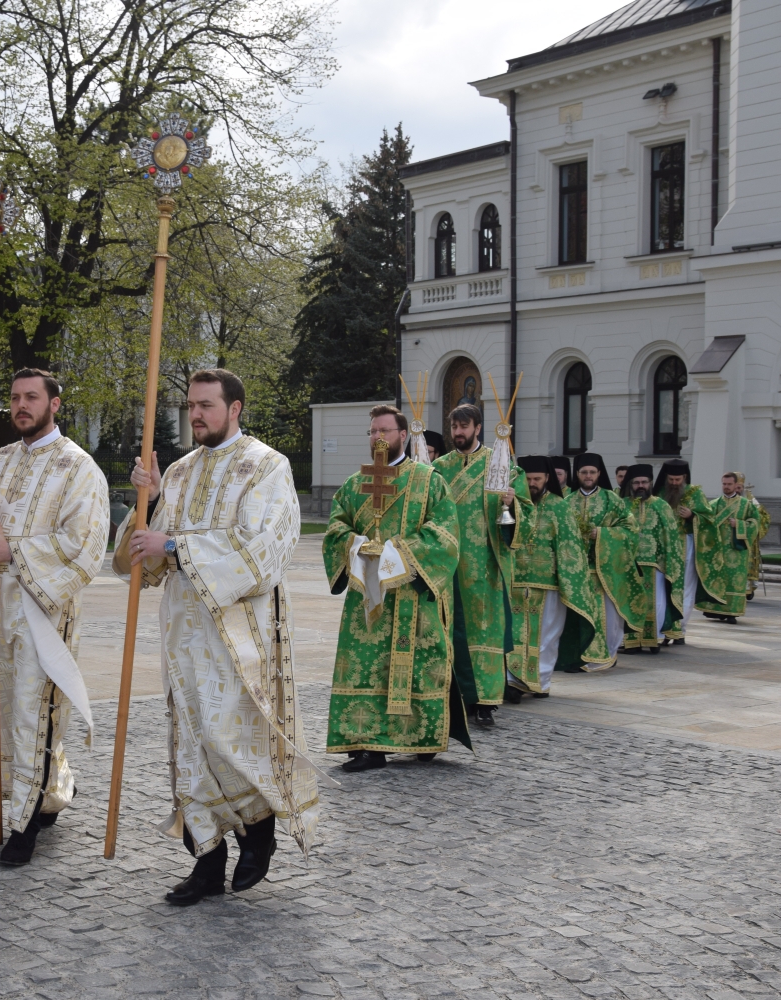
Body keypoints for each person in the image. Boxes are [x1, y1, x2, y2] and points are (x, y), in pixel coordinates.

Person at [116, 368, 320, 906]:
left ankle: (260, 836)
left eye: (207, 405)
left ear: (235, 408)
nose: (197, 415)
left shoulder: (267, 466)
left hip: (242, 641)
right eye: (191, 407)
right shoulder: (180, 472)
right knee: (190, 745)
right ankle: (205, 862)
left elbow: (263, 551)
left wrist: (177, 545)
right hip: (184, 636)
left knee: (236, 740)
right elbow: (143, 558)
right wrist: (151, 502)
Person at [0, 369, 110, 866]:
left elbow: (85, 547)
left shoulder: (80, 468)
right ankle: (48, 792)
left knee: (37, 712)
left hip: (43, 613)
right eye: (14, 398)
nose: (21, 405)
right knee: (2, 709)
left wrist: (11, 550)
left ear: (55, 405)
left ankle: (24, 823)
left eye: (32, 397)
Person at [324, 404, 460, 772]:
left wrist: (394, 557)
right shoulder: (355, 484)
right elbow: (336, 529)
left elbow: (444, 535)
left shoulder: (429, 480)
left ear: (403, 434)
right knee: (366, 667)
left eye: (385, 430)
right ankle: (364, 743)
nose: (378, 438)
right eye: (372, 432)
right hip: (366, 599)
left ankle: (420, 738)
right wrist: (357, 548)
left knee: (416, 668)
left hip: (412, 595)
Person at [431, 403, 524, 729]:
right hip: (447, 564)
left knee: (484, 633)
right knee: (448, 632)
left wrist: (512, 503)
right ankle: (453, 697)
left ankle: (485, 702)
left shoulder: (499, 465)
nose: (458, 433)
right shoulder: (439, 467)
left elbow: (522, 518)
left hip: (484, 567)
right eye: (454, 427)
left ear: (478, 428)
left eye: (464, 427)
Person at [504, 457, 608, 699]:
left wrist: (570, 584)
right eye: (527, 479)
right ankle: (513, 681)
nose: (532, 484)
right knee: (516, 634)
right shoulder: (513, 504)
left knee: (547, 636)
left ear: (547, 479)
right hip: (515, 580)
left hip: (548, 583)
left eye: (537, 479)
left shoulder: (559, 507)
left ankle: (541, 681)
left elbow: (570, 547)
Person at [565, 454, 641, 666]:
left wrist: (602, 534)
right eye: (583, 472)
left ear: (599, 474)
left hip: (606, 569)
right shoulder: (567, 502)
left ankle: (608, 653)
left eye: (592, 472)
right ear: (577, 475)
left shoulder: (612, 500)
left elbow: (631, 530)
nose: (588, 476)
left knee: (609, 616)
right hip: (576, 570)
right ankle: (578, 656)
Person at [622, 465, 685, 650]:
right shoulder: (623, 505)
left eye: (644, 482)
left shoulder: (661, 505)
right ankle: (630, 642)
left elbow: (671, 537)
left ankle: (653, 640)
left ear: (650, 483)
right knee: (629, 602)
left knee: (655, 603)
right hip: (628, 563)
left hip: (655, 564)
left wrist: (669, 563)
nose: (640, 486)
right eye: (636, 482)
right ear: (631, 484)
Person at [694, 472, 762, 625]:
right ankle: (714, 609)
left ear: (735, 485)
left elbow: (756, 523)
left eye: (729, 484)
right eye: (724, 484)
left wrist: (739, 524)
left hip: (735, 551)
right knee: (717, 579)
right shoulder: (713, 504)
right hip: (717, 550)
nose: (726, 487)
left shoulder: (746, 504)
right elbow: (704, 522)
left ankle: (731, 612)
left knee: (732, 581)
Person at [660, 459, 707, 639]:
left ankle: (680, 630)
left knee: (686, 588)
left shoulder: (695, 494)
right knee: (665, 589)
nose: (674, 483)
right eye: (671, 479)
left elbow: (710, 519)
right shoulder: (660, 494)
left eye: (677, 480)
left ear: (684, 477)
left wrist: (693, 515)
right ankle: (663, 628)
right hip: (664, 548)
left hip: (686, 547)